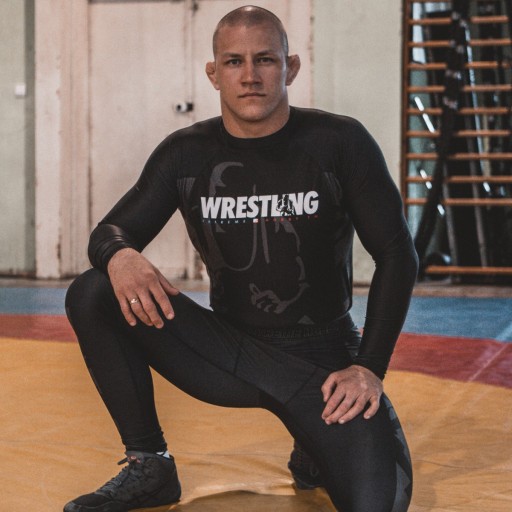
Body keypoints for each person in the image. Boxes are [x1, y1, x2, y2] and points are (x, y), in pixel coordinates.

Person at [63, 5, 418, 512]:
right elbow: (110, 232)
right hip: (228, 354)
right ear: (214, 73)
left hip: (324, 364)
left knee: (377, 505)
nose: (250, 76)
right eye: (234, 62)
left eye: (265, 59)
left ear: (290, 67)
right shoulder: (185, 153)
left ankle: (313, 447)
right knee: (94, 290)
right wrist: (120, 255)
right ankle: (150, 463)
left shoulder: (339, 142)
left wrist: (368, 367)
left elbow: (396, 253)